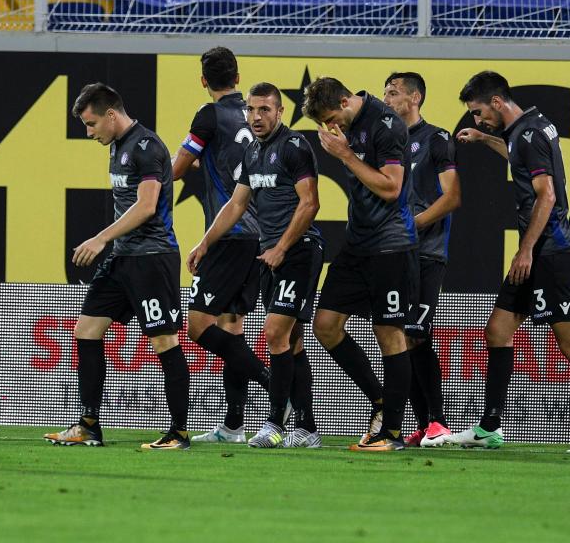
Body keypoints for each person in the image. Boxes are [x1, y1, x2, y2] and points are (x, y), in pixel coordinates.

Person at [451, 70, 570, 453]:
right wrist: (484, 139)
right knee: (497, 330)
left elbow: (546, 197)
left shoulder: (527, 136)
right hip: (539, 251)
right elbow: (518, 157)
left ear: (496, 102)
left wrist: (526, 248)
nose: (477, 120)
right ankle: (490, 427)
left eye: (479, 114)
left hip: (549, 251)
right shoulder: (531, 125)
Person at [43, 83, 190, 450]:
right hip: (123, 258)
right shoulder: (117, 147)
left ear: (111, 114)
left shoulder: (147, 147)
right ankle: (89, 425)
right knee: (86, 330)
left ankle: (179, 433)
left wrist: (100, 238)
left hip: (152, 259)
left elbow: (146, 206)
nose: (88, 132)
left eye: (91, 124)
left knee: (164, 341)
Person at [189, 83, 324, 448]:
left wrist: (281, 247)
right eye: (252, 110)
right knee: (291, 341)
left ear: (280, 112)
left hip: (298, 251)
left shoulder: (295, 147)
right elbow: (236, 205)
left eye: (265, 109)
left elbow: (309, 203)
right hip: (269, 255)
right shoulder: (251, 152)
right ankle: (308, 427)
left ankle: (274, 423)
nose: (257, 116)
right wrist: (205, 242)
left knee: (275, 333)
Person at [304, 76, 418, 452]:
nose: (329, 127)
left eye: (331, 117)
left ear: (344, 100)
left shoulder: (387, 125)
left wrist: (345, 155)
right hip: (357, 245)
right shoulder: (346, 128)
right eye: (323, 122)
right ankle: (381, 399)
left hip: (391, 245)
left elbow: (391, 188)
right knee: (326, 325)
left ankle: (393, 432)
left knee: (389, 334)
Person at [172, 47, 271, 443]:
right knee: (232, 327)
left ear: (203, 81)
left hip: (228, 233)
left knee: (198, 325)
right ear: (237, 75)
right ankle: (233, 425)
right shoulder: (250, 113)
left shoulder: (208, 114)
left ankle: (270, 379)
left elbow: (176, 168)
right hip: (259, 234)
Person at [382, 72, 461, 448]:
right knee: (402, 337)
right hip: (395, 253)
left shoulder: (436, 139)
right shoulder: (389, 141)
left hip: (427, 253)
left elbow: (452, 197)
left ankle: (438, 422)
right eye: (385, 92)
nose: (387, 98)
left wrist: (413, 225)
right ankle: (424, 424)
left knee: (416, 334)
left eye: (393, 92)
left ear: (414, 98)